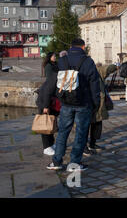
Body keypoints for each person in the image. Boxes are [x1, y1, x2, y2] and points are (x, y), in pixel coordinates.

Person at [46, 38, 100, 172]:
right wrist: (96, 103)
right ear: (83, 47)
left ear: (71, 47)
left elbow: (57, 80)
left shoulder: (62, 60)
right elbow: (94, 84)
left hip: (66, 101)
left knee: (63, 132)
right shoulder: (88, 61)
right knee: (81, 133)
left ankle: (56, 161)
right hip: (84, 102)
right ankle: (74, 163)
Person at [84, 63, 115, 155]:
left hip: (98, 102)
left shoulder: (97, 71)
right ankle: (84, 146)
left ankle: (93, 144)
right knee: (85, 126)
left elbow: (108, 69)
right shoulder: (82, 72)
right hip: (87, 102)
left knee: (97, 124)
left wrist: (116, 66)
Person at [36, 65, 59, 156]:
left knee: (50, 124)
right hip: (45, 103)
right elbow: (47, 92)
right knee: (44, 125)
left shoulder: (57, 76)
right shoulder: (55, 77)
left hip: (51, 103)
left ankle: (51, 144)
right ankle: (46, 147)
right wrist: (45, 106)